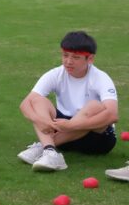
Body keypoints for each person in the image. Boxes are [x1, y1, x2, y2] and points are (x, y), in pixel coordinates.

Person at [17, 31, 118, 172]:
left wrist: (72, 125)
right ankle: (50, 151)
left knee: (94, 107)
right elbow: (25, 104)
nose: (68, 61)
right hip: (64, 132)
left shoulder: (100, 77)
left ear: (90, 59)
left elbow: (112, 115)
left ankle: (44, 146)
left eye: (76, 57)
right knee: (37, 101)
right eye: (65, 55)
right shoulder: (56, 74)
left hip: (97, 140)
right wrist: (39, 120)